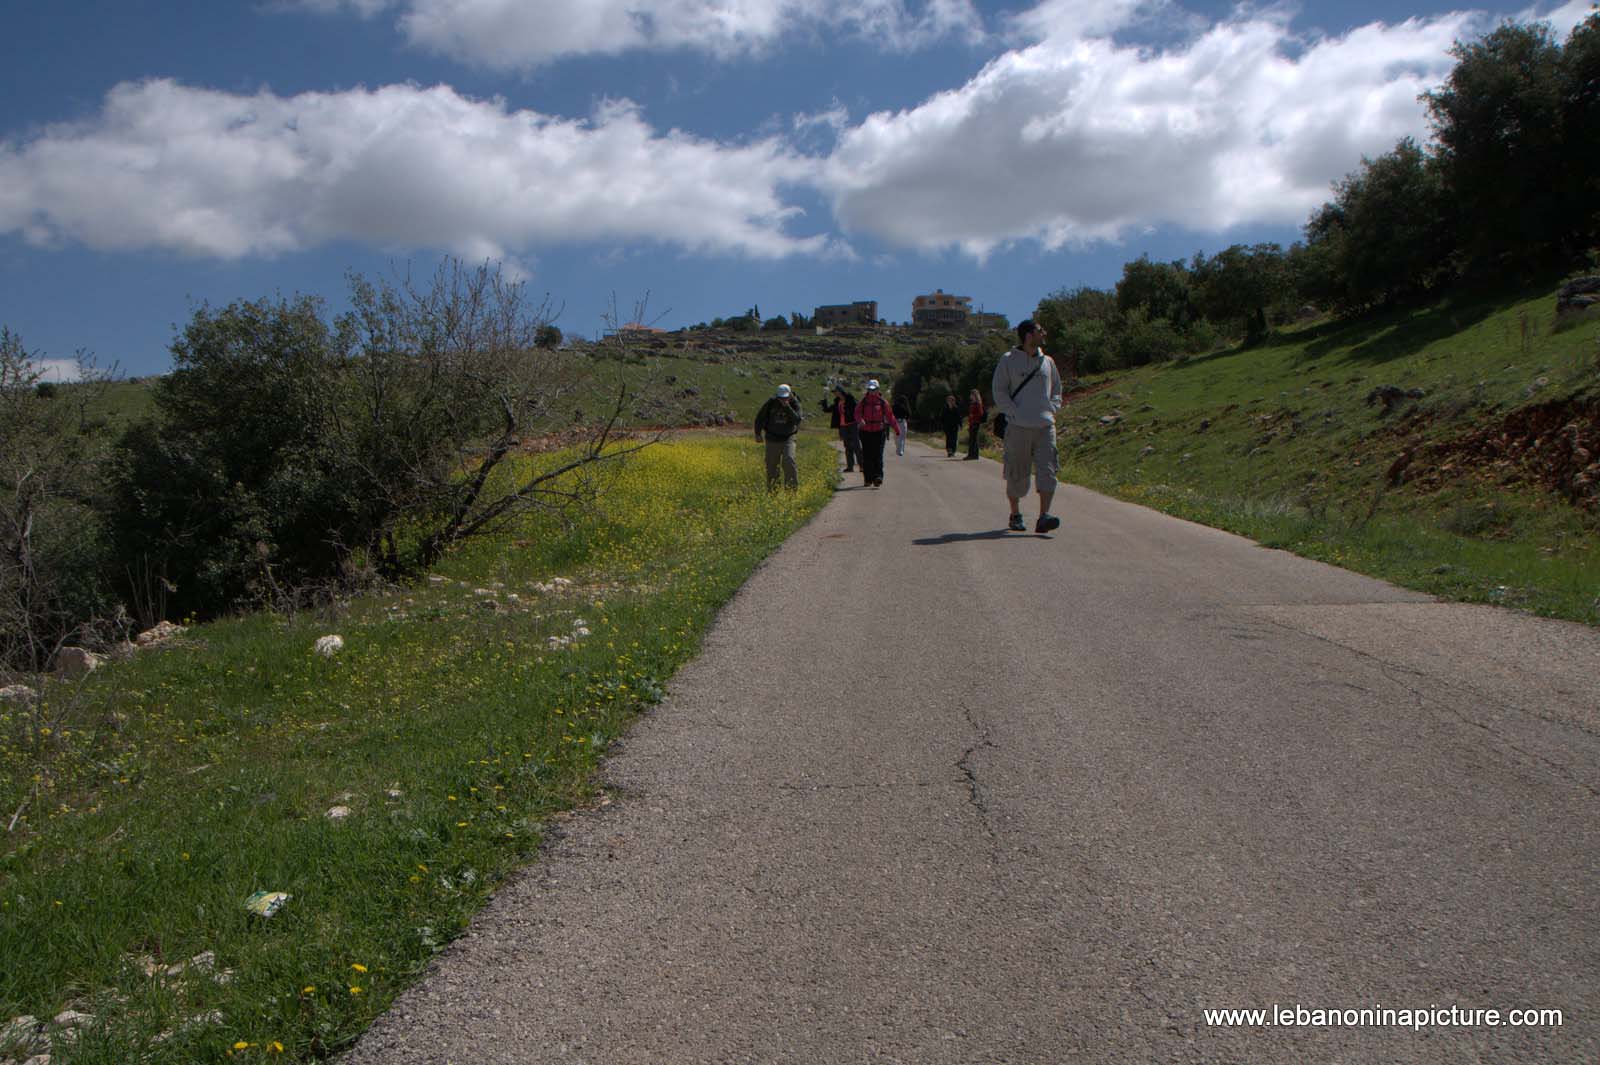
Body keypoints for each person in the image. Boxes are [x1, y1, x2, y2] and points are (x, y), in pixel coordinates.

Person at [991, 320, 1063, 532]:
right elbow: (999, 390)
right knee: (1017, 474)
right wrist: (1013, 412)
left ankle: (1044, 517)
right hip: (1018, 427)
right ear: (1029, 336)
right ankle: (1015, 514)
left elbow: (1057, 389)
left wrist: (1052, 408)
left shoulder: (1048, 362)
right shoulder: (1008, 360)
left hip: (1045, 427)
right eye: (1040, 330)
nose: (1044, 333)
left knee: (1048, 471)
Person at [754, 383, 804, 490]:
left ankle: (791, 492)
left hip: (788, 438)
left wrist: (788, 407)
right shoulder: (771, 403)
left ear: (790, 395)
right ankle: (773, 492)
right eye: (781, 397)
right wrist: (758, 434)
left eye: (785, 397)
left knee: (789, 461)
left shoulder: (795, 403)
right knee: (772, 466)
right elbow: (760, 418)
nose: (783, 399)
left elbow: (797, 420)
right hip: (772, 438)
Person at [854, 379, 900, 489]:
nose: (872, 391)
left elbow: (890, 416)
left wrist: (897, 430)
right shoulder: (863, 402)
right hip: (865, 432)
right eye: (870, 389)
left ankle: (878, 477)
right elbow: (857, 413)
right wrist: (860, 420)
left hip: (879, 432)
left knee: (878, 455)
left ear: (878, 389)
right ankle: (868, 479)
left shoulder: (883, 402)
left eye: (874, 389)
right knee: (867, 456)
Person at [820, 384, 862, 475]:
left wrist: (859, 420)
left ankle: (862, 465)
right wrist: (824, 402)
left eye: (835, 391)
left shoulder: (850, 399)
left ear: (840, 391)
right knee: (847, 446)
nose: (835, 393)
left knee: (856, 446)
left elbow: (858, 408)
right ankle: (850, 467)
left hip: (852, 424)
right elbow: (827, 410)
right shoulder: (837, 401)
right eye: (834, 392)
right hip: (843, 426)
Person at [964, 389, 985, 460]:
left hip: (975, 423)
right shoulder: (973, 403)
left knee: (973, 439)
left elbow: (980, 414)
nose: (970, 396)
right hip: (972, 422)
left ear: (974, 395)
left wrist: (973, 416)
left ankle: (972, 455)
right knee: (973, 439)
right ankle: (974, 455)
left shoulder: (978, 404)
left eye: (972, 394)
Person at [891, 391, 912, 457]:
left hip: (896, 422)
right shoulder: (906, 406)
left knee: (897, 437)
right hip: (902, 422)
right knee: (902, 437)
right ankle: (900, 450)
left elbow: (891, 414)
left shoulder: (894, 406)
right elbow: (909, 414)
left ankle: (899, 449)